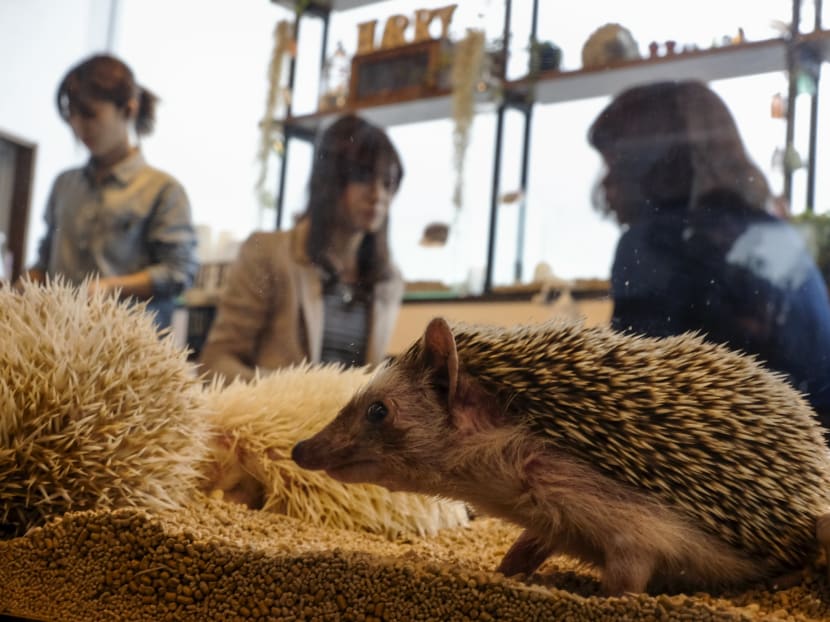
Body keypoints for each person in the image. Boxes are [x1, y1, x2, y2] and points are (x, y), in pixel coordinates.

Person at [588, 80, 830, 433]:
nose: (605, 185)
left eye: (615, 165)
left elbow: (629, 397)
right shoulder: (776, 234)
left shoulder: (654, 241)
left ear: (647, 167)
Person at [198, 114, 405, 384]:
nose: (378, 195)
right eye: (363, 178)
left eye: (388, 183)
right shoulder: (268, 254)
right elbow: (216, 363)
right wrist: (290, 398)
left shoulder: (388, 279)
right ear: (330, 180)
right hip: (276, 421)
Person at [24, 54, 198, 330]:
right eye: (73, 115)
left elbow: (179, 272)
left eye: (90, 114)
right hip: (55, 342)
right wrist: (22, 289)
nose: (79, 126)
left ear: (128, 110)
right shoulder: (64, 185)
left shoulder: (163, 190)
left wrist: (111, 287)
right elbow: (44, 260)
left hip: (125, 352)